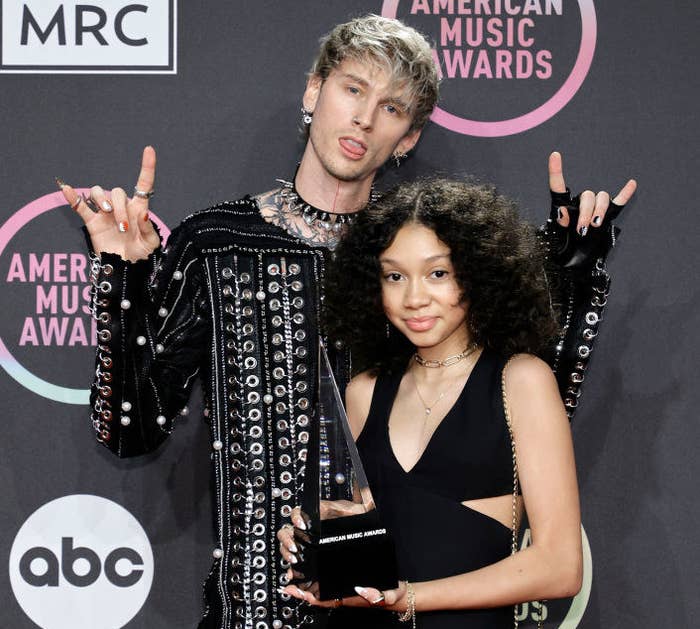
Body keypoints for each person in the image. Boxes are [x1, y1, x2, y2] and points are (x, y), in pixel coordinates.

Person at [57, 14, 634, 629]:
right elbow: (129, 432)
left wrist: (569, 290)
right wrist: (122, 278)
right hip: (254, 610)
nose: (363, 117)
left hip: (392, 610)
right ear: (314, 91)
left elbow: (506, 421)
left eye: (391, 108)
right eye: (353, 89)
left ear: (409, 138)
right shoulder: (215, 244)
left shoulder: (419, 260)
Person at [279, 179, 584, 628]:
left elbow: (560, 567)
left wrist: (409, 600)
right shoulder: (364, 390)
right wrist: (314, 537)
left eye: (437, 273)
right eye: (394, 276)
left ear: (478, 272)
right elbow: (368, 542)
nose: (414, 297)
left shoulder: (521, 380)